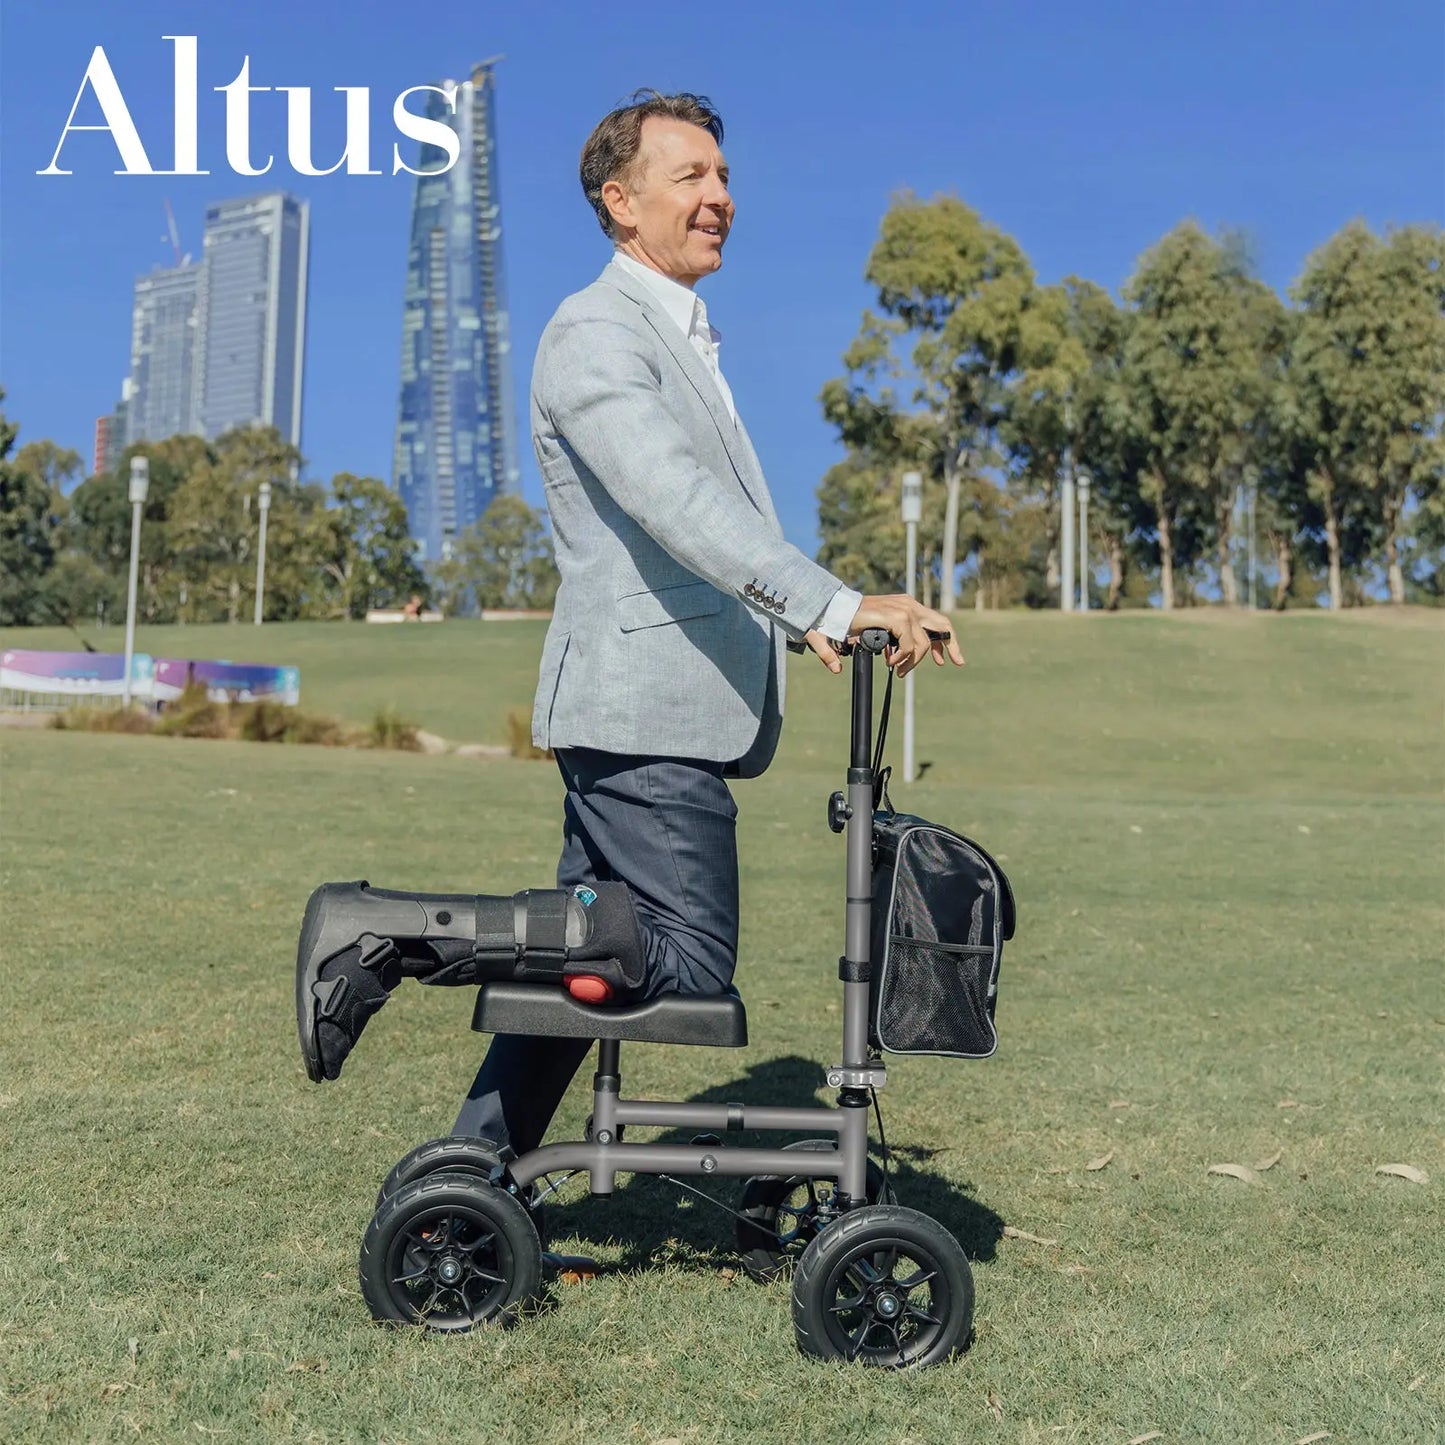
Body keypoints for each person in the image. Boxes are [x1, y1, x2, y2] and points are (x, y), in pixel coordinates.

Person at [449, 90, 963, 1157]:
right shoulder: (594, 329)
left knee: (596, 957)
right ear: (619, 202)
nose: (720, 197)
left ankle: (465, 1184)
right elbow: (675, 501)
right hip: (641, 718)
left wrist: (802, 625)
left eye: (723, 177)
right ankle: (396, 937)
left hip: (651, 714)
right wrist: (827, 599)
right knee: (685, 959)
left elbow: (692, 541)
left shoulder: (679, 334)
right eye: (689, 177)